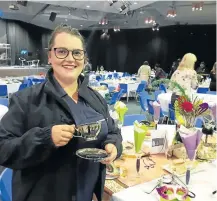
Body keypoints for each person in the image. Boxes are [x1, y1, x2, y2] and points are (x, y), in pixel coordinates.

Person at [0, 24, 122, 201]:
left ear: (84, 58)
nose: (70, 59)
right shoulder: (26, 100)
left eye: (77, 52)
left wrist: (112, 146)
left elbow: (112, 131)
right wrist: (45, 138)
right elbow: (3, 148)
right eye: (62, 51)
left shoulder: (96, 98)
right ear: (50, 56)